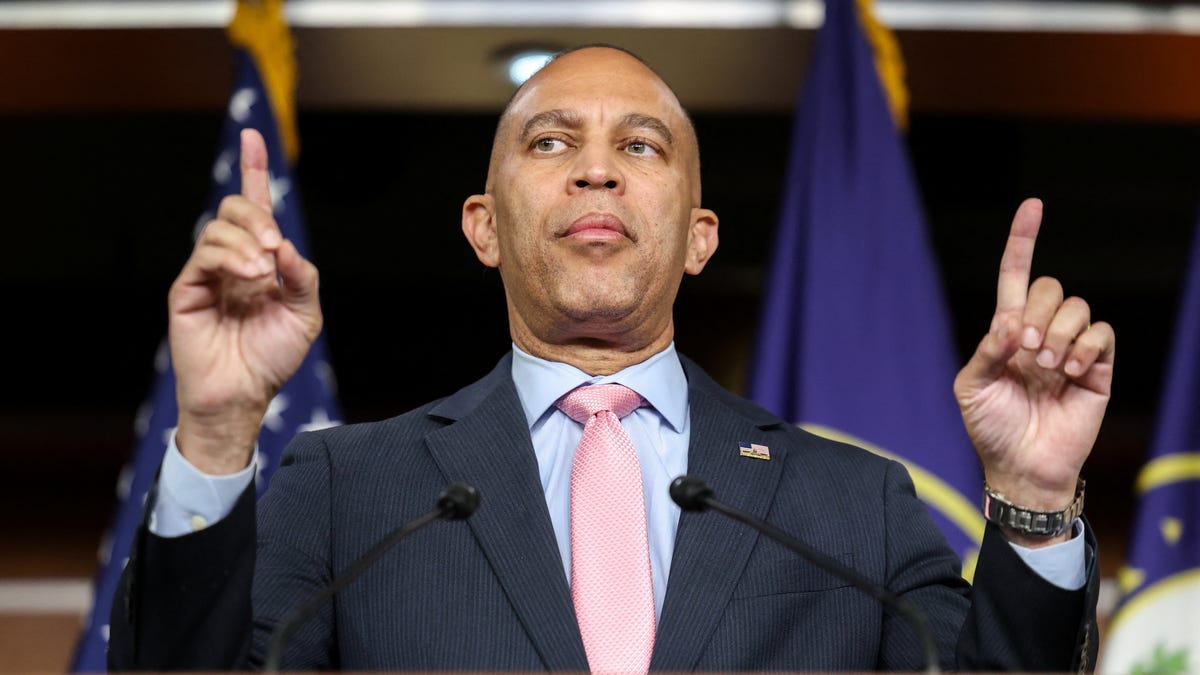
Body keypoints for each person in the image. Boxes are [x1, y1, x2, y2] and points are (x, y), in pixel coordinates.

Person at [109, 45, 1114, 672]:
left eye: (641, 147)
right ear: (484, 227)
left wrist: (1032, 494)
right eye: (549, 144)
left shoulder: (852, 504)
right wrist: (214, 431)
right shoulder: (349, 491)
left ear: (699, 237)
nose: (596, 165)